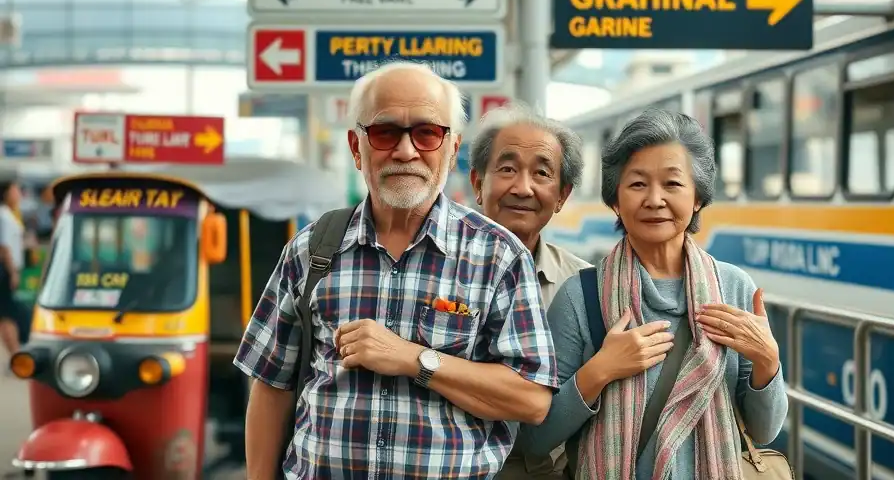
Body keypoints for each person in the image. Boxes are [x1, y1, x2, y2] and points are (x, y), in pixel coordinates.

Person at [234, 61, 560, 480]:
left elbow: (531, 399)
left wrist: (414, 359)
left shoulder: (498, 256)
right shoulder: (311, 249)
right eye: (385, 132)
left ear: (452, 148)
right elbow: (270, 383)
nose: (406, 151)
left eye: (427, 133)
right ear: (357, 147)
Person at [519, 108, 788, 479]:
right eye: (638, 184)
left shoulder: (732, 287)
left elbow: (764, 431)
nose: (655, 199)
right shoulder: (581, 296)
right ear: (615, 200)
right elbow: (534, 437)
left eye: (673, 184)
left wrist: (767, 362)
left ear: (698, 198)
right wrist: (599, 371)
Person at [468, 104, 591, 480]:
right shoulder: (436, 269)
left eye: (541, 173)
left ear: (562, 195)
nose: (523, 187)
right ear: (477, 183)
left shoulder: (586, 287)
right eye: (507, 169)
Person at [0, 179, 24, 358]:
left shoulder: (10, 214)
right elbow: (4, 247)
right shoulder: (3, 216)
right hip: (5, 270)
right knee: (8, 314)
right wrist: (13, 272)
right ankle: (15, 354)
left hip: (9, 268)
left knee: (8, 313)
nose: (19, 194)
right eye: (15, 190)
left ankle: (15, 352)